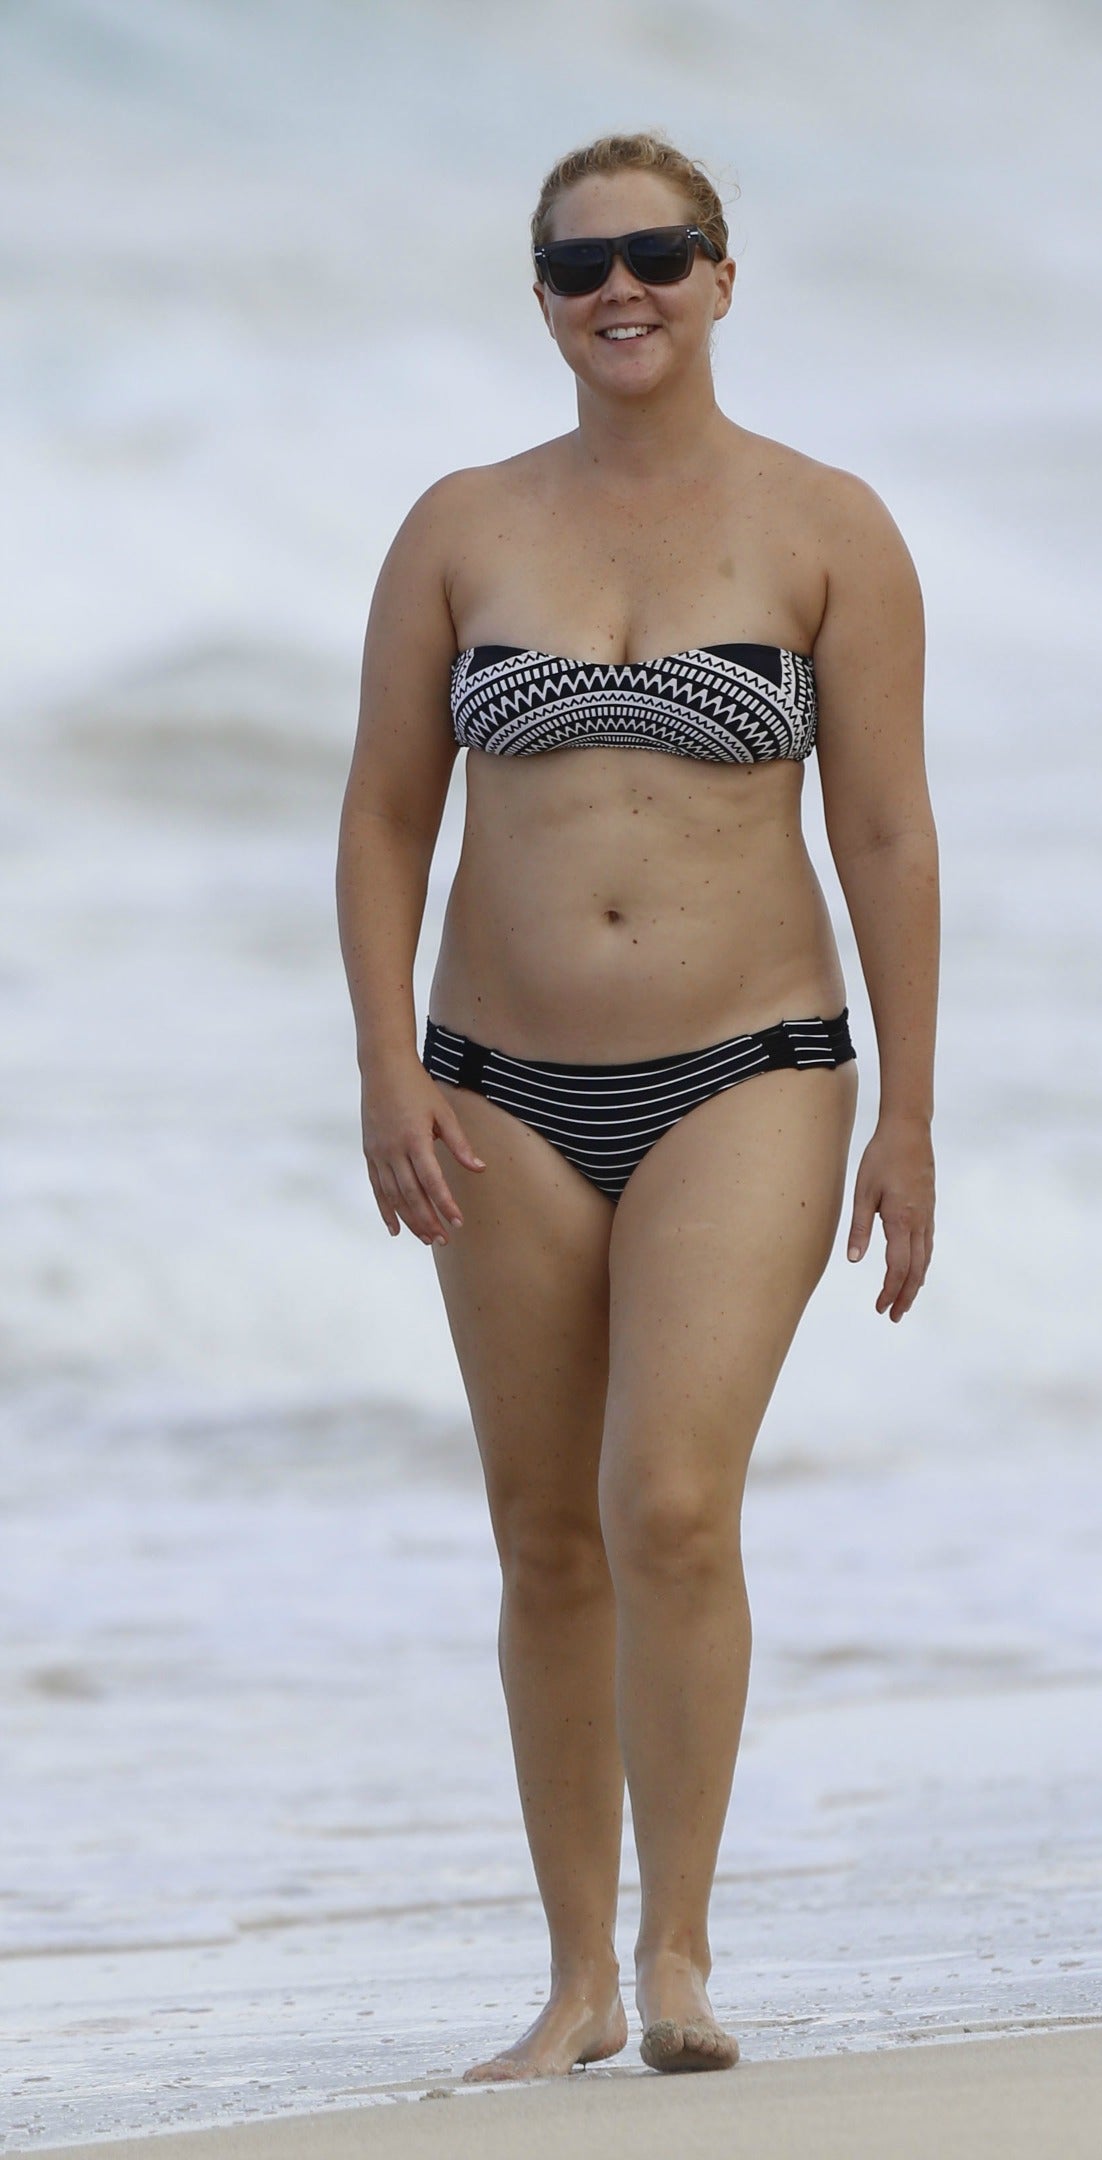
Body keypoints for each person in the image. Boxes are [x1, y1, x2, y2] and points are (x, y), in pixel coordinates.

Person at [335, 130, 938, 2083]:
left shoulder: (826, 527)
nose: (625, 288)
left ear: (722, 279)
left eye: (661, 256)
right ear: (541, 298)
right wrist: (384, 1059)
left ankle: (679, 1954)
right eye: (583, 263)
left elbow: (886, 834)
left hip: (750, 1070)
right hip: (493, 1087)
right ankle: (574, 1979)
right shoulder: (459, 528)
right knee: (543, 1535)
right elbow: (383, 818)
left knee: (667, 1503)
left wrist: (909, 1115)